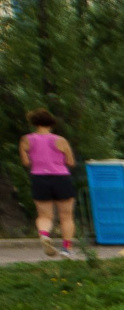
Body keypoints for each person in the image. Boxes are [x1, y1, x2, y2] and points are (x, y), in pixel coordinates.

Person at [21, 109, 76, 257]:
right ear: (51, 123)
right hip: (61, 178)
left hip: (39, 178)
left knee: (44, 216)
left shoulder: (26, 139)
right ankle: (66, 248)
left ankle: (44, 235)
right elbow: (70, 162)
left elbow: (26, 162)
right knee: (66, 216)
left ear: (34, 123)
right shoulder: (60, 140)